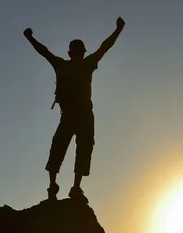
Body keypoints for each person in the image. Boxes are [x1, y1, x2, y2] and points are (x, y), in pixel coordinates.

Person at [24, 17, 125, 201]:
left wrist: (30, 38)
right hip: (82, 114)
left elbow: (44, 52)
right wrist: (118, 29)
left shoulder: (63, 65)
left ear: (70, 52)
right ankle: (72, 187)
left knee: (62, 147)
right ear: (81, 53)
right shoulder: (85, 64)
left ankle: (56, 186)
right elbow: (105, 46)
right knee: (78, 148)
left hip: (73, 115)